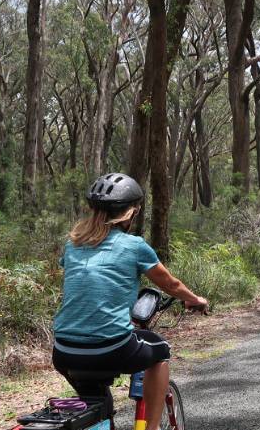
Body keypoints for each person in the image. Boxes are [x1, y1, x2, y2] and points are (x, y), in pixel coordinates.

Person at [52, 172, 208, 430]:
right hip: (110, 348)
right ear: (130, 213)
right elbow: (171, 285)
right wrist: (196, 300)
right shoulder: (134, 246)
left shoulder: (73, 245)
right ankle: (151, 428)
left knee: (97, 400)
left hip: (64, 351)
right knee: (160, 351)